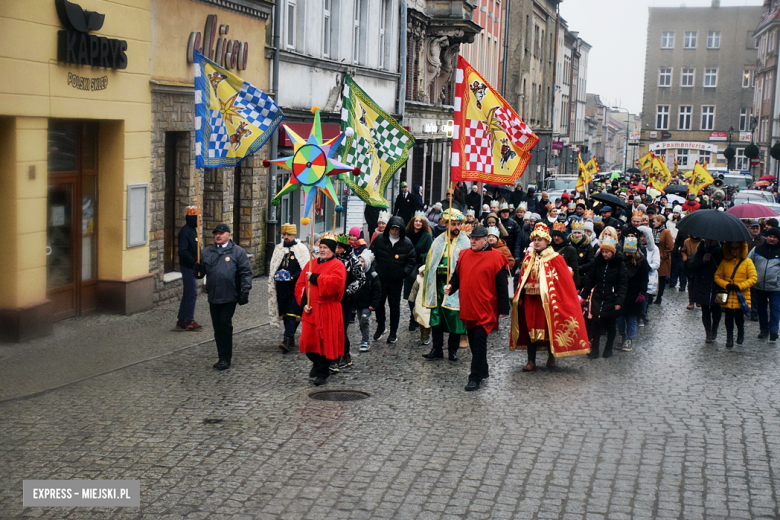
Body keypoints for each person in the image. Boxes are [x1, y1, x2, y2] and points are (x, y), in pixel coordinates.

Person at [511, 223, 590, 370]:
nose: (536, 242)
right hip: (530, 299)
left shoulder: (555, 258)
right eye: (535, 239)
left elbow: (563, 281)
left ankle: (551, 356)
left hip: (547, 300)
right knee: (530, 329)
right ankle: (531, 361)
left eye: (540, 239)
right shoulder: (528, 257)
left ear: (547, 241)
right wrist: (520, 295)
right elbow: (523, 278)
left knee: (550, 328)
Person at [445, 225, 509, 391]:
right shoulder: (465, 254)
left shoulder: (497, 258)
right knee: (473, 341)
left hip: (485, 308)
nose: (472, 241)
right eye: (471, 238)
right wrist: (451, 286)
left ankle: (475, 377)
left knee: (480, 340)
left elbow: (502, 285)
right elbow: (457, 275)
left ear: (486, 240)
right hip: (468, 306)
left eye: (476, 239)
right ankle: (483, 369)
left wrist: (503, 309)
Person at [194, 224, 253, 370]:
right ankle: (221, 355)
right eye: (216, 234)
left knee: (225, 324)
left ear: (228, 235)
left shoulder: (237, 252)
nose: (218, 236)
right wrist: (198, 270)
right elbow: (200, 274)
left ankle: (226, 358)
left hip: (230, 295)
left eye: (221, 233)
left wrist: (245, 289)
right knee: (217, 327)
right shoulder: (207, 252)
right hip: (214, 295)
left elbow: (245, 272)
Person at [295, 233, 347, 386]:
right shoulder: (310, 264)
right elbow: (300, 285)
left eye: (325, 248)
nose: (322, 250)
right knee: (308, 342)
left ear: (332, 250)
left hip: (328, 309)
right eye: (321, 247)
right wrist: (304, 302)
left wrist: (315, 278)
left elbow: (336, 284)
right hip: (311, 309)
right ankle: (317, 363)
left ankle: (322, 372)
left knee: (326, 342)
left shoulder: (338, 265)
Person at [421, 209, 469, 361]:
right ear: (446, 224)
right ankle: (437, 349)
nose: (456, 227)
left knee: (454, 316)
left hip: (455, 286)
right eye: (453, 224)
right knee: (436, 317)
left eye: (458, 224)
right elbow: (431, 261)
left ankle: (452, 350)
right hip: (438, 284)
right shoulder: (438, 240)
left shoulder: (465, 242)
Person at [370, 216, 417, 343]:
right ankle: (381, 326)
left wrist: (403, 273)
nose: (394, 232)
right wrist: (375, 270)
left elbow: (411, 260)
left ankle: (393, 331)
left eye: (397, 230)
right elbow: (372, 255)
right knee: (379, 303)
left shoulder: (406, 243)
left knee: (394, 305)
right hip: (381, 277)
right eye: (392, 229)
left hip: (396, 280)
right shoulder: (380, 240)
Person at [581, 236, 628, 359]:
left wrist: (619, 301)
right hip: (598, 296)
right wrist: (583, 296)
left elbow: (623, 284)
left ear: (612, 252)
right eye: (603, 251)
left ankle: (608, 348)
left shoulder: (620, 264)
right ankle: (595, 350)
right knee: (596, 322)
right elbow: (591, 279)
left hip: (611, 297)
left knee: (610, 324)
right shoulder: (598, 262)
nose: (604, 254)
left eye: (607, 252)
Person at [268, 223, 310, 352]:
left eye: (288, 235)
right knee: (286, 313)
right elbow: (274, 265)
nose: (286, 237)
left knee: (292, 312)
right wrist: (277, 275)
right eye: (284, 235)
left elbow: (305, 267)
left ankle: (287, 338)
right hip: (281, 287)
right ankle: (290, 337)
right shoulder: (278, 249)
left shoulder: (301, 249)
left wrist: (293, 276)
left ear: (294, 235)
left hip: (295, 287)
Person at [715, 241, 757, 348]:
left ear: (741, 249)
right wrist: (726, 285)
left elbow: (753, 278)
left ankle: (740, 333)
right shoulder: (725, 262)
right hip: (729, 294)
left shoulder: (748, 262)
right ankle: (729, 338)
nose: (734, 251)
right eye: (732, 248)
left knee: (739, 317)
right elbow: (717, 276)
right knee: (728, 318)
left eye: (737, 248)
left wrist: (741, 286)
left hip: (741, 295)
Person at [333, 234, 366, 370]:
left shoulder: (353, 261)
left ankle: (345, 354)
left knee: (342, 328)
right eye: (336, 247)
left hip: (346, 300)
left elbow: (361, 279)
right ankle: (334, 354)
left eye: (339, 247)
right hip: (333, 299)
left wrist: (348, 290)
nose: (337, 250)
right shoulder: (333, 260)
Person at [616, 236, 649, 352]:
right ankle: (621, 334)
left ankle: (629, 338)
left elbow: (645, 279)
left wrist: (642, 293)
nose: (627, 255)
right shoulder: (620, 260)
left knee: (631, 318)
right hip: (622, 293)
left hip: (635, 293)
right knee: (620, 317)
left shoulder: (642, 262)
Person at [748, 227, 780, 342]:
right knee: (762, 309)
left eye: (774, 237)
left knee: (775, 309)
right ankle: (764, 329)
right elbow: (749, 263)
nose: (772, 239)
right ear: (766, 237)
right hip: (759, 285)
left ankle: (774, 330)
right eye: (770, 236)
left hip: (775, 286)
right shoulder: (757, 249)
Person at [690, 239, 723, 343]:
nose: (710, 241)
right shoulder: (701, 250)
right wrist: (703, 260)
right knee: (705, 309)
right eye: (708, 240)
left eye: (712, 240)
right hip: (703, 284)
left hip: (719, 285)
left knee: (717, 309)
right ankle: (708, 332)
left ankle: (715, 328)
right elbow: (693, 266)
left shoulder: (723, 251)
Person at [405, 212, 433, 331]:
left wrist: (420, 255)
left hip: (419, 266)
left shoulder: (426, 236)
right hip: (408, 266)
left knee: (417, 293)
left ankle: (416, 318)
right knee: (409, 294)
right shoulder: (406, 234)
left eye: (420, 221)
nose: (418, 223)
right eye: (416, 221)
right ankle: (412, 315)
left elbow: (430, 252)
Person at [176, 207, 203, 331]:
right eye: (199, 217)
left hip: (191, 265)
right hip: (187, 266)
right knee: (192, 292)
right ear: (194, 219)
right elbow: (183, 251)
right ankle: (188, 319)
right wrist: (194, 261)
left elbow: (195, 248)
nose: (201, 220)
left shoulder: (192, 230)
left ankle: (182, 318)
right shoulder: (186, 231)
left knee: (188, 292)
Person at [354, 250, 381, 352]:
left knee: (364, 320)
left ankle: (365, 341)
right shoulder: (356, 274)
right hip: (359, 303)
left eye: (362, 261)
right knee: (361, 321)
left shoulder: (373, 275)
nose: (360, 264)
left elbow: (377, 291)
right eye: (359, 261)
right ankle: (364, 337)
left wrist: (374, 304)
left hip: (367, 304)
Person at [550, 222, 581, 288]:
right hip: (550, 280)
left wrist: (576, 285)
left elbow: (575, 268)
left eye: (558, 236)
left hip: (564, 280)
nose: (556, 238)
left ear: (563, 237)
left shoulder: (570, 249)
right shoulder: (548, 247)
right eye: (554, 236)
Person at [652, 215, 674, 305]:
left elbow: (669, 247)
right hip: (653, 257)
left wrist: (662, 257)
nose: (653, 223)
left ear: (659, 222)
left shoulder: (666, 232)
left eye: (655, 221)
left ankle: (659, 296)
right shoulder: (652, 230)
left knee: (661, 279)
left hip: (662, 259)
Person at [681, 235, 702, 309]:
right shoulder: (687, 241)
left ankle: (698, 300)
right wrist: (685, 257)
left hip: (699, 265)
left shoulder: (701, 242)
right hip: (689, 265)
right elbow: (683, 251)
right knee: (690, 284)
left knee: (698, 284)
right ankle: (691, 301)